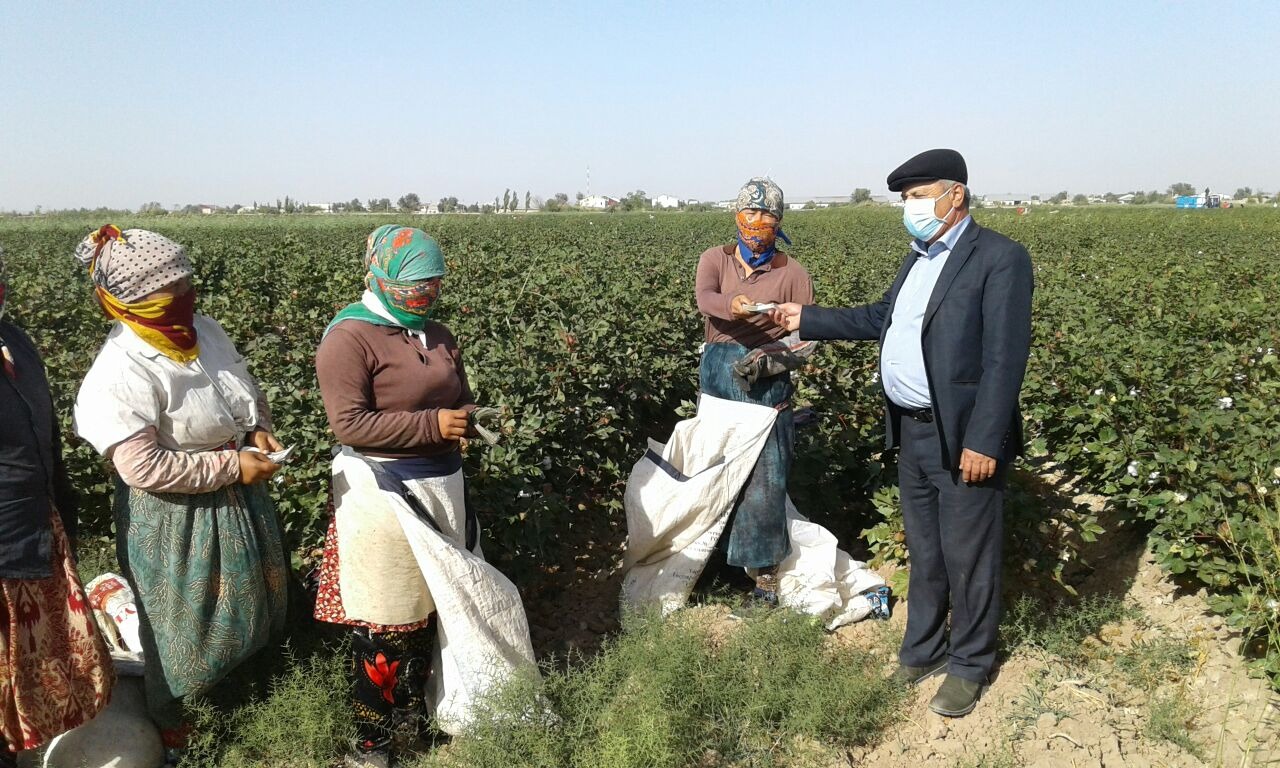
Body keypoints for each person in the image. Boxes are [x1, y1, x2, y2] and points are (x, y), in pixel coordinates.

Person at [772, 149, 1034, 717]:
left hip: (962, 435)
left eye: (917, 196)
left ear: (954, 196)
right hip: (911, 433)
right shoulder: (918, 258)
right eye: (906, 199)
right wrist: (806, 318)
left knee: (970, 555)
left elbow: (1004, 360)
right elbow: (879, 319)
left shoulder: (999, 258)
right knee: (927, 551)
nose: (909, 207)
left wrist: (985, 440)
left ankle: (969, 665)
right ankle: (921, 651)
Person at [71, 226, 288, 755]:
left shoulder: (205, 330)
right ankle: (185, 733)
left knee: (259, 606)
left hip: (241, 496)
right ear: (125, 305)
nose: (185, 304)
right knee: (189, 629)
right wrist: (231, 466)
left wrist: (255, 425)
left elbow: (241, 386)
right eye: (169, 298)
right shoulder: (117, 372)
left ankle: (250, 711)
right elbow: (141, 466)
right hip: (176, 519)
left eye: (188, 290)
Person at [313, 225, 479, 767]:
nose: (424, 295)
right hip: (380, 495)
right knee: (384, 621)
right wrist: (435, 424)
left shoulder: (438, 332)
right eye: (413, 286)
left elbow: (461, 399)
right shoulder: (349, 338)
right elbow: (350, 424)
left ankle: (425, 715)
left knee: (436, 609)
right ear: (380, 278)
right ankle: (372, 744)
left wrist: (477, 421)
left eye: (432, 284)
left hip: (441, 486)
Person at [0, 246, 114, 767]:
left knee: (24, 675)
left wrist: (62, 514)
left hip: (32, 529)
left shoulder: (14, 340)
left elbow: (45, 443)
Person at [694, 178, 814, 613]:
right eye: (751, 212)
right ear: (736, 215)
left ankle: (764, 578)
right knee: (715, 474)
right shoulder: (716, 260)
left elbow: (805, 340)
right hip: (718, 385)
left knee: (765, 482)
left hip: (767, 389)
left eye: (767, 215)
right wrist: (735, 305)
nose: (757, 222)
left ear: (779, 221)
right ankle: (711, 565)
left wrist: (769, 358)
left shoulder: (792, 272)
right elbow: (706, 298)